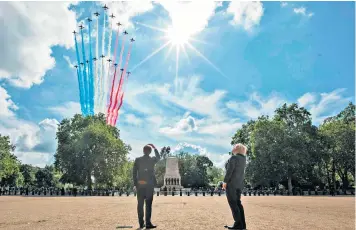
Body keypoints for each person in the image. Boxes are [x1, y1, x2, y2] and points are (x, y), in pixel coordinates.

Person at [133, 144, 160, 229]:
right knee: (148, 205)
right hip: (149, 185)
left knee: (140, 205)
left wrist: (135, 184)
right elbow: (158, 157)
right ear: (150, 151)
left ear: (143, 151)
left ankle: (141, 224)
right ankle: (148, 223)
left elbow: (134, 173)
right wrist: (155, 147)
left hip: (140, 185)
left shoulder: (138, 160)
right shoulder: (152, 160)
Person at [223, 143, 247, 230]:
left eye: (234, 147)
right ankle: (242, 225)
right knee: (238, 204)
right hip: (239, 184)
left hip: (231, 184)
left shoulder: (234, 158)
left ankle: (238, 225)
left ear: (236, 148)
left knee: (233, 204)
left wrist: (225, 182)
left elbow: (230, 171)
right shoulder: (243, 159)